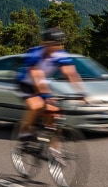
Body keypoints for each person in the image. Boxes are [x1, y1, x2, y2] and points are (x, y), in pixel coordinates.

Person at [15, 27, 87, 162]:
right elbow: (37, 75)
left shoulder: (61, 54)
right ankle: (24, 133)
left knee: (55, 113)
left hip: (43, 85)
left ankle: (54, 149)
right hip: (26, 84)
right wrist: (45, 95)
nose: (57, 47)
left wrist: (80, 92)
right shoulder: (35, 53)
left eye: (60, 44)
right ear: (45, 44)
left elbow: (70, 73)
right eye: (54, 44)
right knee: (36, 105)